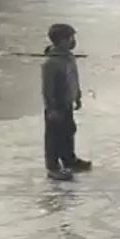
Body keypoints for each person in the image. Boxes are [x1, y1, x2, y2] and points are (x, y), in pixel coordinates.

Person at [41, 23, 91, 181]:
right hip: (56, 106)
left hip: (67, 103)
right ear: (61, 40)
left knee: (69, 131)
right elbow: (48, 88)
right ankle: (53, 167)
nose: (73, 41)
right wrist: (52, 108)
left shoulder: (68, 58)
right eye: (70, 38)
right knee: (54, 137)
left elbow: (74, 79)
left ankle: (69, 160)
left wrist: (77, 96)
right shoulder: (51, 63)